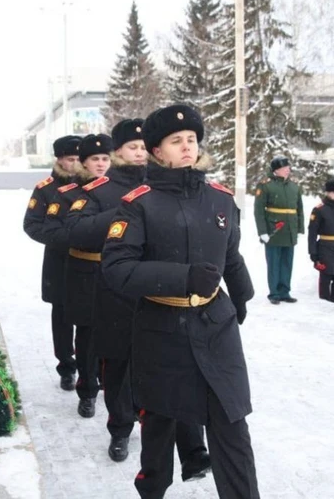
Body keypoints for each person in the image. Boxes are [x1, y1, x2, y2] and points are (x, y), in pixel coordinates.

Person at [101, 104, 259, 499]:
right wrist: (182, 277)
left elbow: (231, 254)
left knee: (231, 420)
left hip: (216, 326)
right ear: (157, 151)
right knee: (159, 426)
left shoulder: (220, 198)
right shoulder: (139, 203)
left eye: (191, 139)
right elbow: (117, 268)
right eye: (176, 141)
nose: (187, 146)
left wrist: (242, 293)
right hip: (161, 329)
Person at [67, 119, 210, 475]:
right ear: (117, 151)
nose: (141, 153)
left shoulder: (167, 183)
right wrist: (126, 212)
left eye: (145, 146)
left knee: (169, 367)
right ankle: (120, 429)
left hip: (161, 294)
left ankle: (182, 441)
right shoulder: (99, 190)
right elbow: (76, 230)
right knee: (118, 365)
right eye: (133, 147)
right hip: (117, 292)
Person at [43, 133, 112, 417]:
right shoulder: (66, 193)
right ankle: (83, 383)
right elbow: (46, 228)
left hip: (114, 272)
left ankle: (109, 383)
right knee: (82, 332)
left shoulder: (120, 191)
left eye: (106, 158)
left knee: (114, 333)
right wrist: (75, 240)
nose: (101, 164)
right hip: (77, 269)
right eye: (94, 159)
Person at [22, 135, 82, 390]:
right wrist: (62, 239)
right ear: (59, 160)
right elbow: (32, 225)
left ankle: (92, 368)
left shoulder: (94, 185)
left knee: (92, 317)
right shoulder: (46, 189)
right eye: (71, 159)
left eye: (80, 159)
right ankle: (66, 367)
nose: (76, 164)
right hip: (60, 261)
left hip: (90, 262)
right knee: (62, 316)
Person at [253, 156, 304, 305]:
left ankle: (284, 291)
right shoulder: (266, 186)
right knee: (274, 263)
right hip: (274, 230)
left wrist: (299, 228)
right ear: (276, 170)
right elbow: (259, 211)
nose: (287, 170)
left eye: (288, 167)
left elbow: (299, 209)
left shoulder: (294, 186)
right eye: (283, 168)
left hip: (290, 230)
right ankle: (274, 293)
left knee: (287, 262)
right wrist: (262, 232)